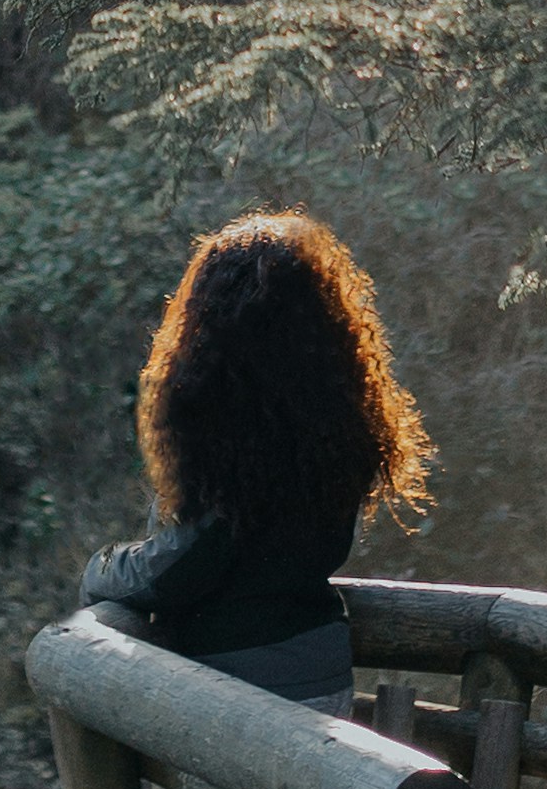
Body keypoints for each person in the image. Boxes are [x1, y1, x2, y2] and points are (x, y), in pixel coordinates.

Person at [78, 211, 432, 709]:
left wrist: (101, 570)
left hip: (236, 691)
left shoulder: (222, 430)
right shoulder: (340, 416)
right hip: (322, 675)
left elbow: (182, 567)